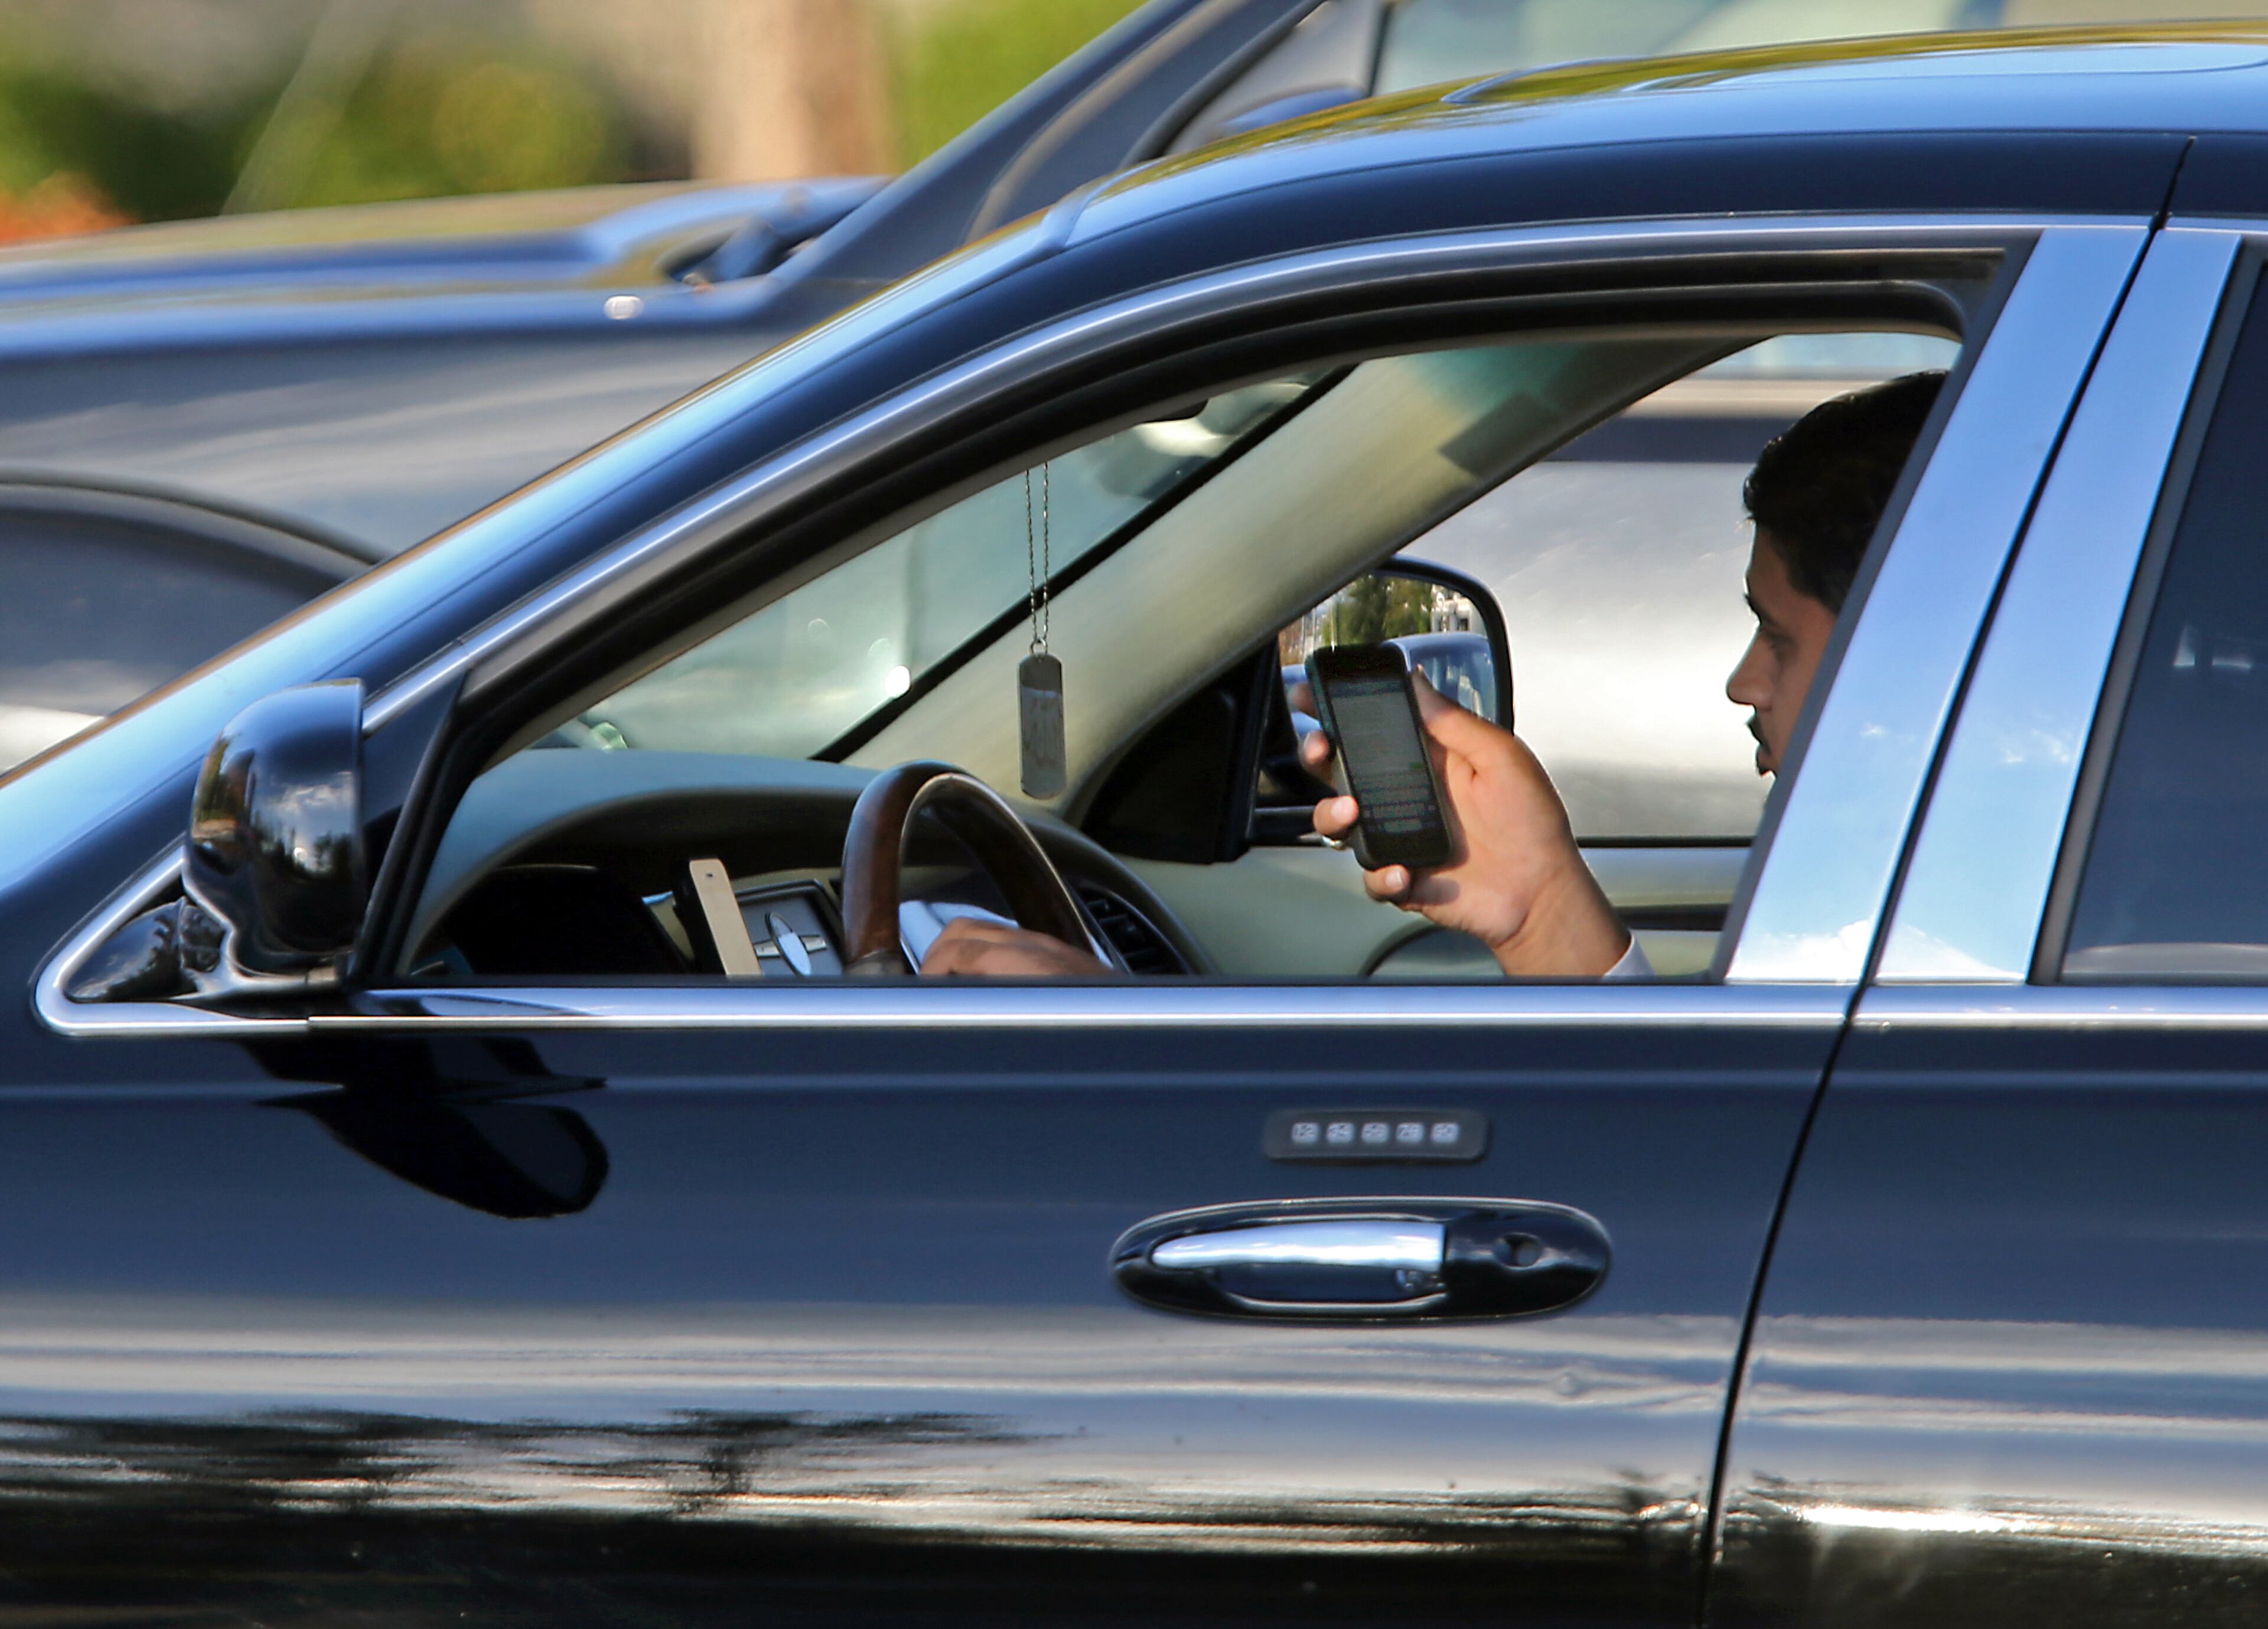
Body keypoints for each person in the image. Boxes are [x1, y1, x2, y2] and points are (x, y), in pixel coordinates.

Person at [921, 370, 1946, 979]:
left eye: (1778, 635)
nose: (1741, 682)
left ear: (1910, 646)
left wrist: (1128, 1055)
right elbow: (1699, 1150)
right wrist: (1542, 903)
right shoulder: (1941, 906)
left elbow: (1708, 1183)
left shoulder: (1946, 948)